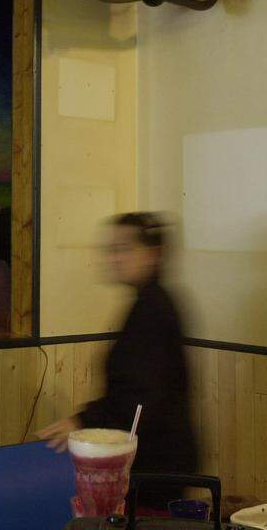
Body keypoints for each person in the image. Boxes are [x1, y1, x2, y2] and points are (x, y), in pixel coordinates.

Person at [37, 212, 197, 511]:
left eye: (123, 249)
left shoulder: (153, 308)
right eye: (110, 249)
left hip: (157, 463)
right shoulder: (147, 302)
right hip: (153, 456)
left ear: (152, 254)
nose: (113, 257)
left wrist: (84, 421)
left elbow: (140, 394)